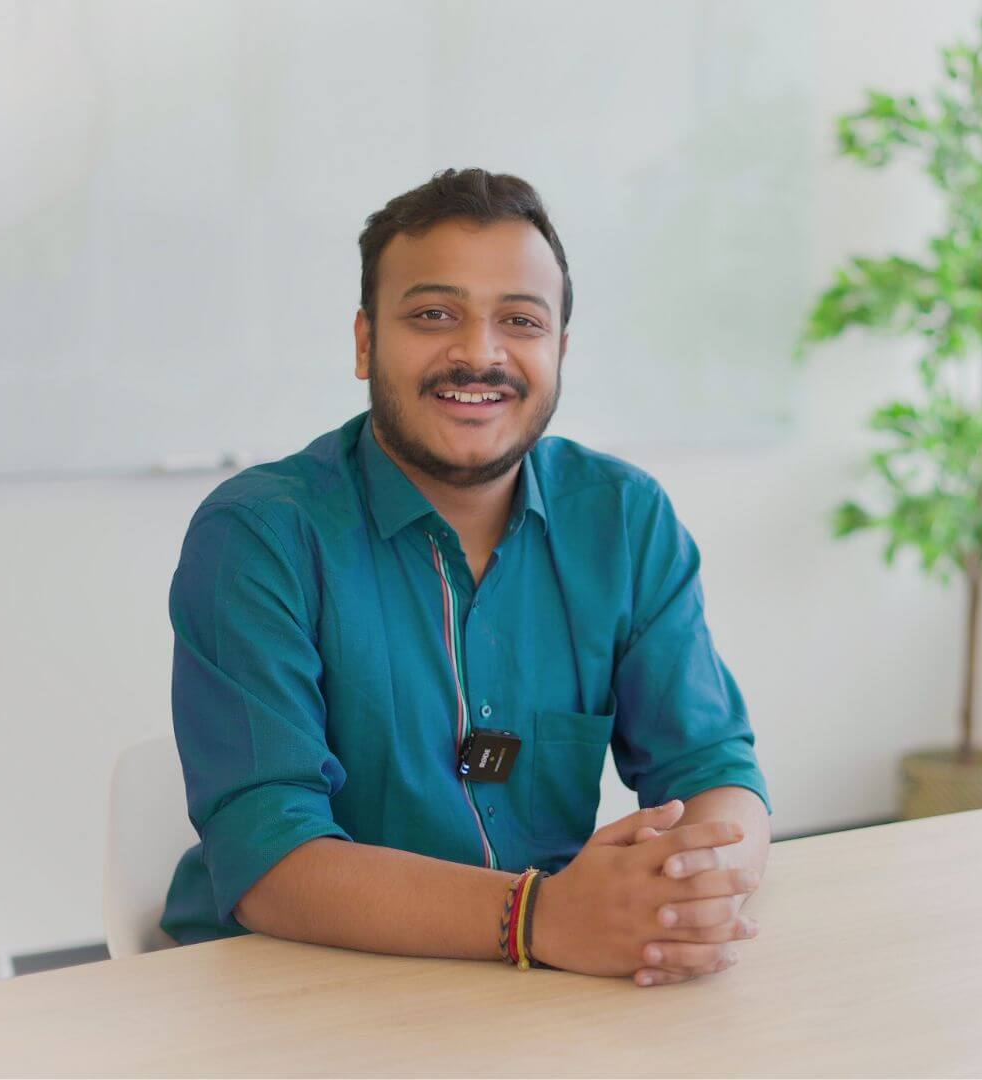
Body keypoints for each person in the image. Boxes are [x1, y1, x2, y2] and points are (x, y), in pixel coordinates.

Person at [161, 167, 772, 988]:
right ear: (365, 342)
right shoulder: (259, 536)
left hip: (538, 988)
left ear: (559, 349)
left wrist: (688, 901)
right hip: (291, 986)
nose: (479, 353)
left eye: (520, 321)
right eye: (433, 315)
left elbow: (713, 769)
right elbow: (269, 853)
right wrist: (540, 918)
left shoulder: (623, 519)